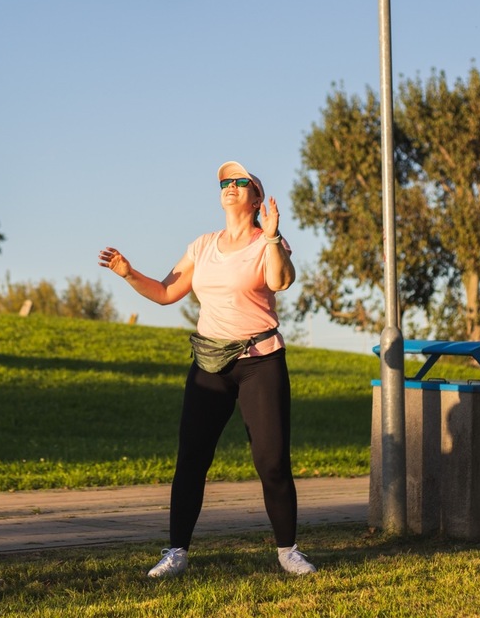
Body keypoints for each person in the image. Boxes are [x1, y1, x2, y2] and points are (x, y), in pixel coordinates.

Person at [98, 161, 317, 578]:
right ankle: (176, 551)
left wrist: (271, 237)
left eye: (240, 182)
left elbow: (281, 281)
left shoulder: (267, 241)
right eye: (224, 182)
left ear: (255, 198)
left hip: (260, 362)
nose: (229, 187)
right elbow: (165, 292)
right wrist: (128, 274)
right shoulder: (202, 245)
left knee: (271, 461)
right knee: (192, 459)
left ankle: (288, 550)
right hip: (209, 363)